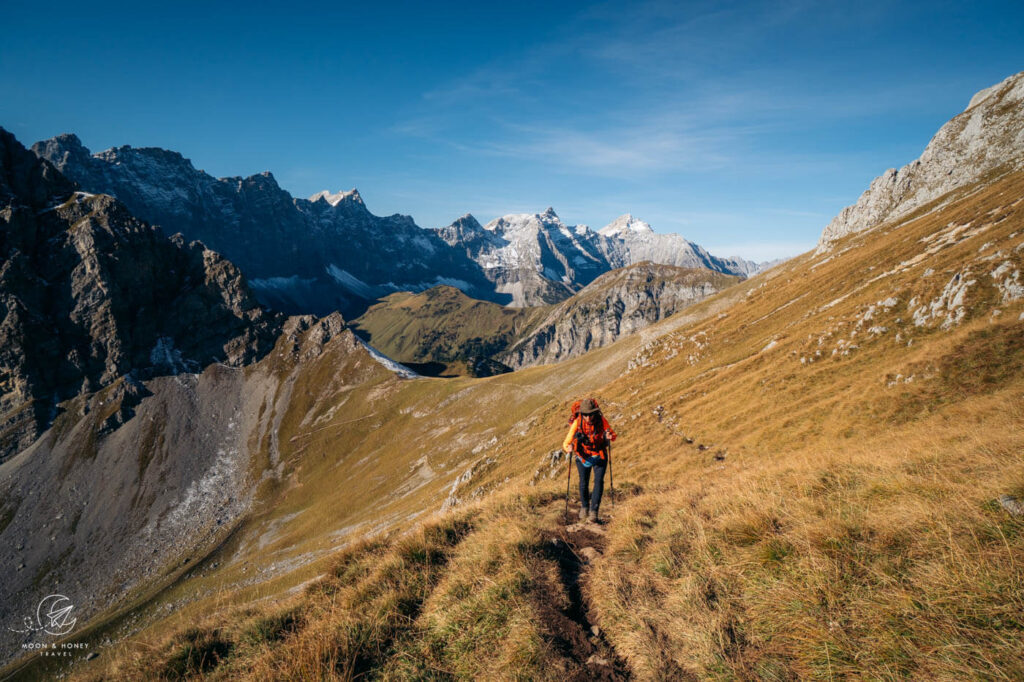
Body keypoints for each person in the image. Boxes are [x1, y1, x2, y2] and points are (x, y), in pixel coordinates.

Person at [562, 398, 617, 522]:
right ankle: (584, 507)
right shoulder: (577, 422)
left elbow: (612, 435)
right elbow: (566, 441)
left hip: (599, 454)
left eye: (590, 414)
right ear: (581, 413)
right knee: (584, 483)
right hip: (583, 456)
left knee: (599, 482)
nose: (588, 417)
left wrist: (609, 436)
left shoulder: (601, 421)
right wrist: (568, 447)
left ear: (595, 412)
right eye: (585, 414)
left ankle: (593, 512)